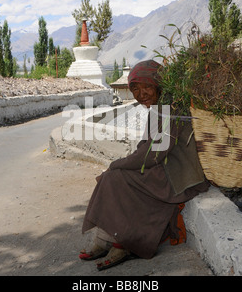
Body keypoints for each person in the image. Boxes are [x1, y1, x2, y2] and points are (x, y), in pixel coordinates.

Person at [79, 59, 209, 271]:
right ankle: (106, 241)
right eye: (135, 88)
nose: (141, 94)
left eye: (147, 86)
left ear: (159, 84)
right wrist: (124, 163)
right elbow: (147, 146)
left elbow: (155, 154)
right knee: (113, 177)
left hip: (178, 176)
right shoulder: (160, 106)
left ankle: (120, 243)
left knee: (114, 177)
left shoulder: (170, 107)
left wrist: (118, 163)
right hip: (166, 167)